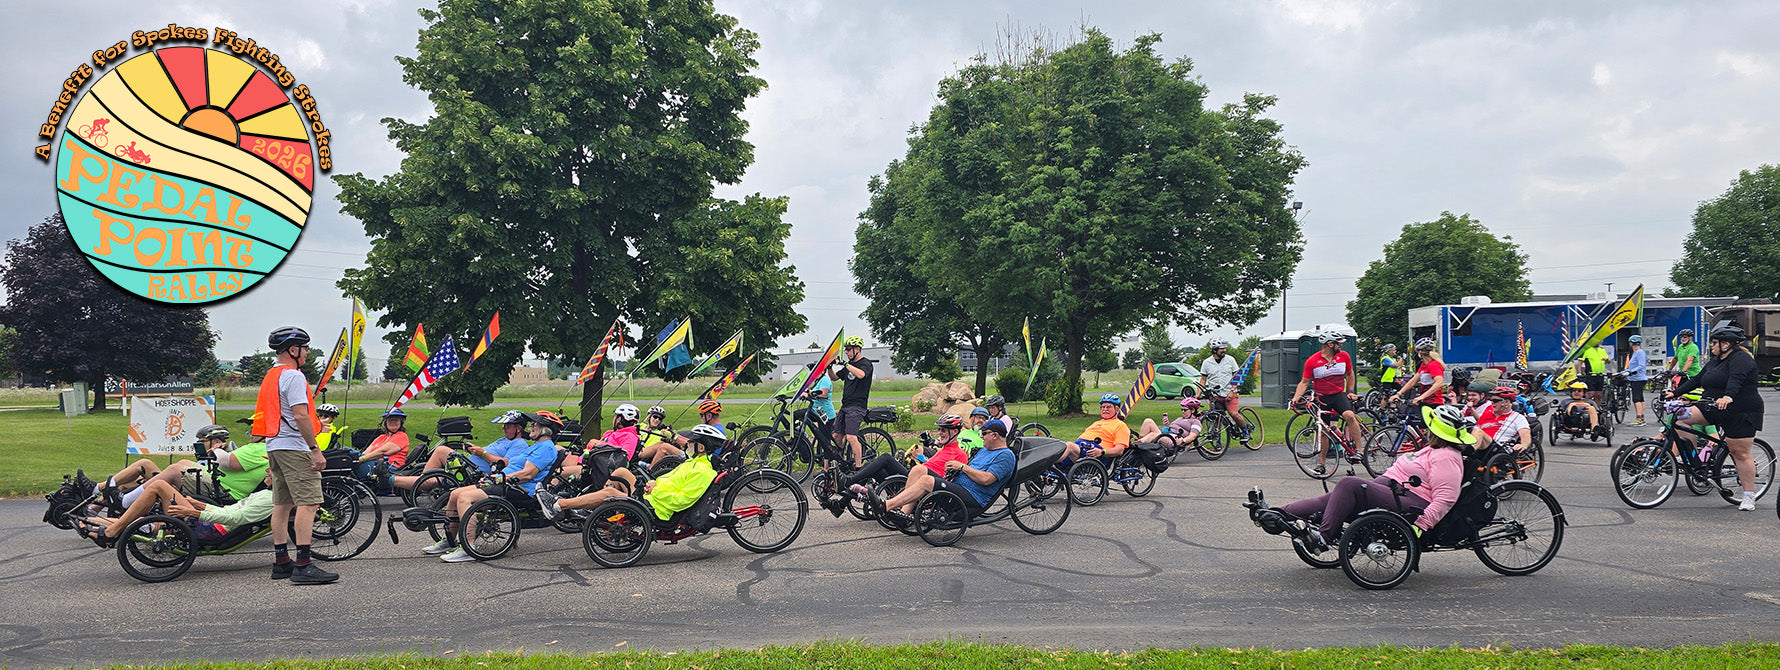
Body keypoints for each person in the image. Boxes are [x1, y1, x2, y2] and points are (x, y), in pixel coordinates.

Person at [1265, 404, 1471, 553]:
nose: (1425, 429)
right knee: (1333, 497)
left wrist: (1422, 524)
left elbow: (1446, 498)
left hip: (1412, 503)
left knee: (1348, 484)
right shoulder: (1435, 449)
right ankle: (1277, 515)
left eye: (1429, 426)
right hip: (1396, 490)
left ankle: (1323, 538)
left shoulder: (1446, 457)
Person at [253, 326, 335, 584]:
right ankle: (303, 564)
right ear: (292, 350)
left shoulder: (271, 376)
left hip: (275, 445)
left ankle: (281, 561)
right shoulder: (294, 377)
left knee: (282, 504)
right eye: (305, 348)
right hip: (295, 447)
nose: (308, 352)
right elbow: (300, 415)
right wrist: (315, 449)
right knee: (309, 503)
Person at [432, 411, 563, 562]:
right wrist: (492, 478)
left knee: (464, 497)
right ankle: (449, 541)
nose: (531, 427)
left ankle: (469, 547)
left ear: (546, 429)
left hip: (521, 490)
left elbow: (528, 474)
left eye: (535, 424)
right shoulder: (536, 446)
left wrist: (500, 478)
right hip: (506, 483)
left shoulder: (546, 448)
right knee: (455, 493)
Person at [538, 423, 728, 524]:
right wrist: (655, 484)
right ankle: (593, 509)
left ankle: (558, 505)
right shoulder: (693, 462)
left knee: (611, 493)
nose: (688, 445)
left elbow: (683, 500)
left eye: (692, 442)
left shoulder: (703, 471)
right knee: (621, 471)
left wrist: (655, 491)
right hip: (654, 497)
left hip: (659, 508)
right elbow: (668, 479)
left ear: (702, 446)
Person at [1670, 323, 1765, 511]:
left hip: (1741, 410)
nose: (1711, 346)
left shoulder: (1741, 359)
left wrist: (1728, 397)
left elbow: (1735, 380)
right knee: (1680, 418)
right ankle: (1695, 462)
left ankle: (1748, 496)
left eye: (1714, 342)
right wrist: (1675, 393)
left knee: (1739, 452)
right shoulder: (1715, 360)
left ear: (1727, 344)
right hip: (1712, 406)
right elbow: (1697, 379)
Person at [875, 419, 1018, 527]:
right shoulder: (985, 450)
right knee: (919, 469)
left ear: (995, 436)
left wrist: (962, 467)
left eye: (984, 434)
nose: (981, 437)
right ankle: (904, 514)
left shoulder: (1005, 456)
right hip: (958, 486)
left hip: (972, 496)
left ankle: (886, 506)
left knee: (927, 481)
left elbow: (986, 479)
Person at [822, 415, 969, 517]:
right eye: (940, 430)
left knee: (886, 458)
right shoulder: (943, 449)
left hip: (921, 482)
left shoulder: (960, 454)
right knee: (872, 467)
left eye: (943, 430)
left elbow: (950, 480)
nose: (940, 433)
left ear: (954, 431)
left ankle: (848, 482)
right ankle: (841, 504)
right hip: (914, 474)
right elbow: (933, 465)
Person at [92, 425, 268, 509]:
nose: (251, 433)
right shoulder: (253, 448)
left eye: (254, 430)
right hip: (212, 482)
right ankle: (97, 495)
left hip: (221, 490)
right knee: (164, 464)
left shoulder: (257, 449)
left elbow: (228, 463)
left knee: (174, 469)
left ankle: (124, 501)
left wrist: (216, 452)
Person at [77, 474, 275, 548]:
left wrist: (198, 513)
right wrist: (202, 505)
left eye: (271, 469)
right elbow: (231, 510)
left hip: (211, 529)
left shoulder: (270, 499)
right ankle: (91, 523)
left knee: (159, 486)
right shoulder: (265, 494)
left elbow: (235, 518)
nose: (267, 470)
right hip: (210, 520)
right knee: (159, 488)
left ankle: (111, 528)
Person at [389, 411, 529, 494]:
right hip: (469, 466)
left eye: (508, 425)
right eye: (503, 425)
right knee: (439, 453)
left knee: (440, 453)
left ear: (519, 429)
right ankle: (419, 479)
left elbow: (507, 465)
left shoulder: (520, 444)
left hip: (475, 474)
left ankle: (393, 480)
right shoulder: (503, 439)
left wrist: (482, 454)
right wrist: (473, 448)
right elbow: (486, 452)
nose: (504, 428)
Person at [1289, 331, 1362, 475]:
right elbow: (1304, 382)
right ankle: (1321, 464)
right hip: (1322, 398)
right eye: (1338, 343)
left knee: (1350, 416)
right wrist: (1296, 398)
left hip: (1338, 395)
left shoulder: (1344, 356)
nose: (1341, 345)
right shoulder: (1312, 361)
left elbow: (1350, 373)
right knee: (1324, 431)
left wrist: (1350, 391)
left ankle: (1359, 450)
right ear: (1330, 344)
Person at [830, 336, 874, 469]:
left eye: (849, 349)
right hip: (845, 405)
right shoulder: (849, 366)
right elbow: (835, 378)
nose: (847, 352)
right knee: (837, 436)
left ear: (857, 349)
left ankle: (858, 468)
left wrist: (846, 364)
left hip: (857, 406)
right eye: (846, 350)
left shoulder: (865, 363)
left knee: (850, 437)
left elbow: (861, 375)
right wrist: (829, 367)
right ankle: (841, 464)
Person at [1198, 340, 1251, 444]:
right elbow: (1203, 379)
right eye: (1221, 349)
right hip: (1215, 395)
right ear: (1214, 350)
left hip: (1229, 392)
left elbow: (1237, 376)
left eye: (1224, 348)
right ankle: (1218, 442)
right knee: (1216, 418)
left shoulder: (1230, 360)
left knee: (1233, 413)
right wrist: (1198, 394)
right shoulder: (1207, 362)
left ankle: (1245, 431)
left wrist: (1232, 390)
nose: (1224, 350)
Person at [1066, 395, 1133, 461]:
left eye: (1108, 407)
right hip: (1079, 447)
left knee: (1069, 446)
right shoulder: (1096, 423)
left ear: (1117, 409)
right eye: (1103, 407)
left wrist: (1102, 452)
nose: (1105, 409)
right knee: (1058, 445)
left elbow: (1119, 450)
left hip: (1094, 452)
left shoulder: (1121, 425)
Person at [1394, 337, 1446, 409]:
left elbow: (1439, 383)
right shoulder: (1424, 365)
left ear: (1420, 353)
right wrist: (1399, 394)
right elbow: (1413, 381)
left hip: (1434, 403)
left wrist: (1421, 397)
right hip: (1425, 402)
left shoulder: (1434, 365)